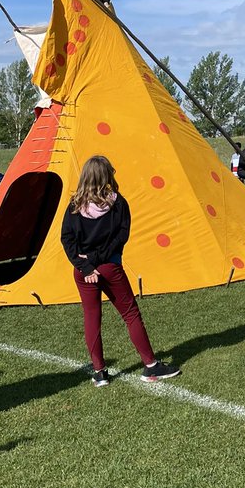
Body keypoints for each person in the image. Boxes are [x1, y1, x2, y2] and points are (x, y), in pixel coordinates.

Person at [60, 155, 181, 387]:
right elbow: (120, 238)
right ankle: (150, 366)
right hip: (109, 267)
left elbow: (67, 240)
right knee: (131, 314)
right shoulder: (117, 203)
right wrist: (93, 263)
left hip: (85, 271)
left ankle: (99, 373)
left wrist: (85, 266)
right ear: (107, 175)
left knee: (92, 318)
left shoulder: (74, 206)